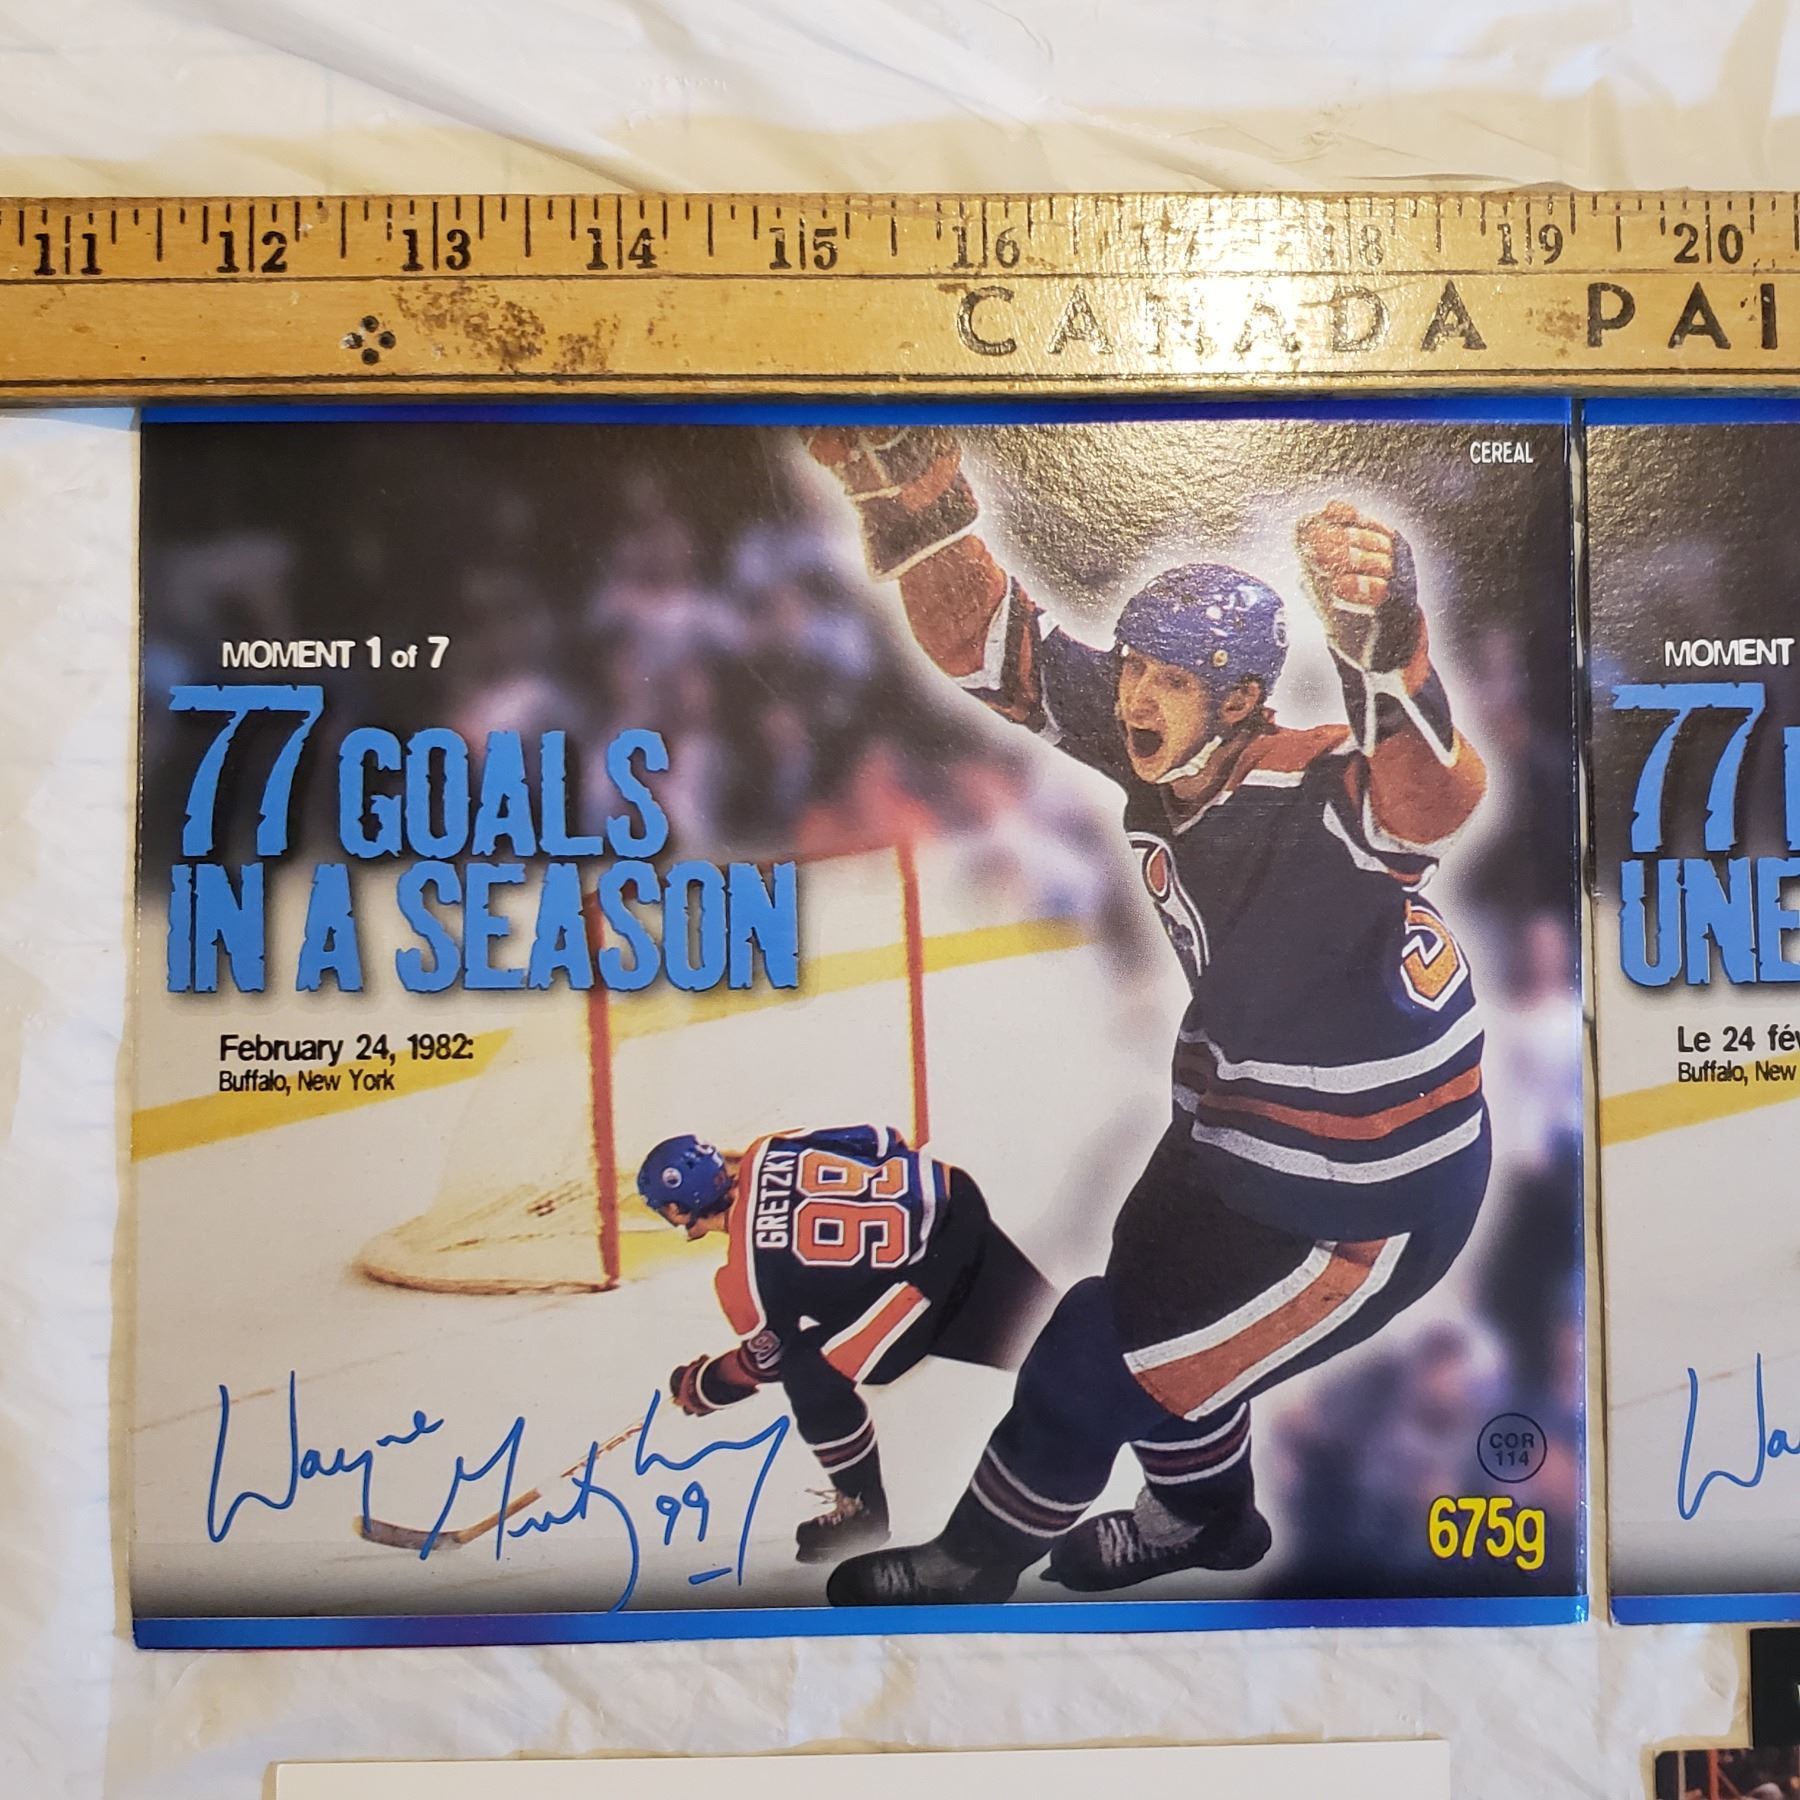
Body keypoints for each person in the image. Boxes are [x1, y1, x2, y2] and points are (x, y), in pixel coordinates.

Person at [806, 426, 1492, 1604]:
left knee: (1089, 1362)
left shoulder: (1309, 789)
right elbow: (986, 645)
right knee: (1143, 1305)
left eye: (1169, 681)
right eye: (1134, 667)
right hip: (1239, 1119)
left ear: (1240, 701)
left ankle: (976, 1561)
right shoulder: (1167, 742)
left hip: (1367, 1194)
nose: (1134, 695)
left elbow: (1435, 802)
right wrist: (919, 508)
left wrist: (1392, 658)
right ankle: (1206, 1521)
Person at [638, 1126, 1054, 1563]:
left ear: (676, 1208)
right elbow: (883, 1138)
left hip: (925, 1282)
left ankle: (863, 1512)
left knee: (810, 1371)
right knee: (1048, 1330)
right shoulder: (771, 1146)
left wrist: (707, 1384)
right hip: (954, 1199)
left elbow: (767, 1361)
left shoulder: (741, 1280)